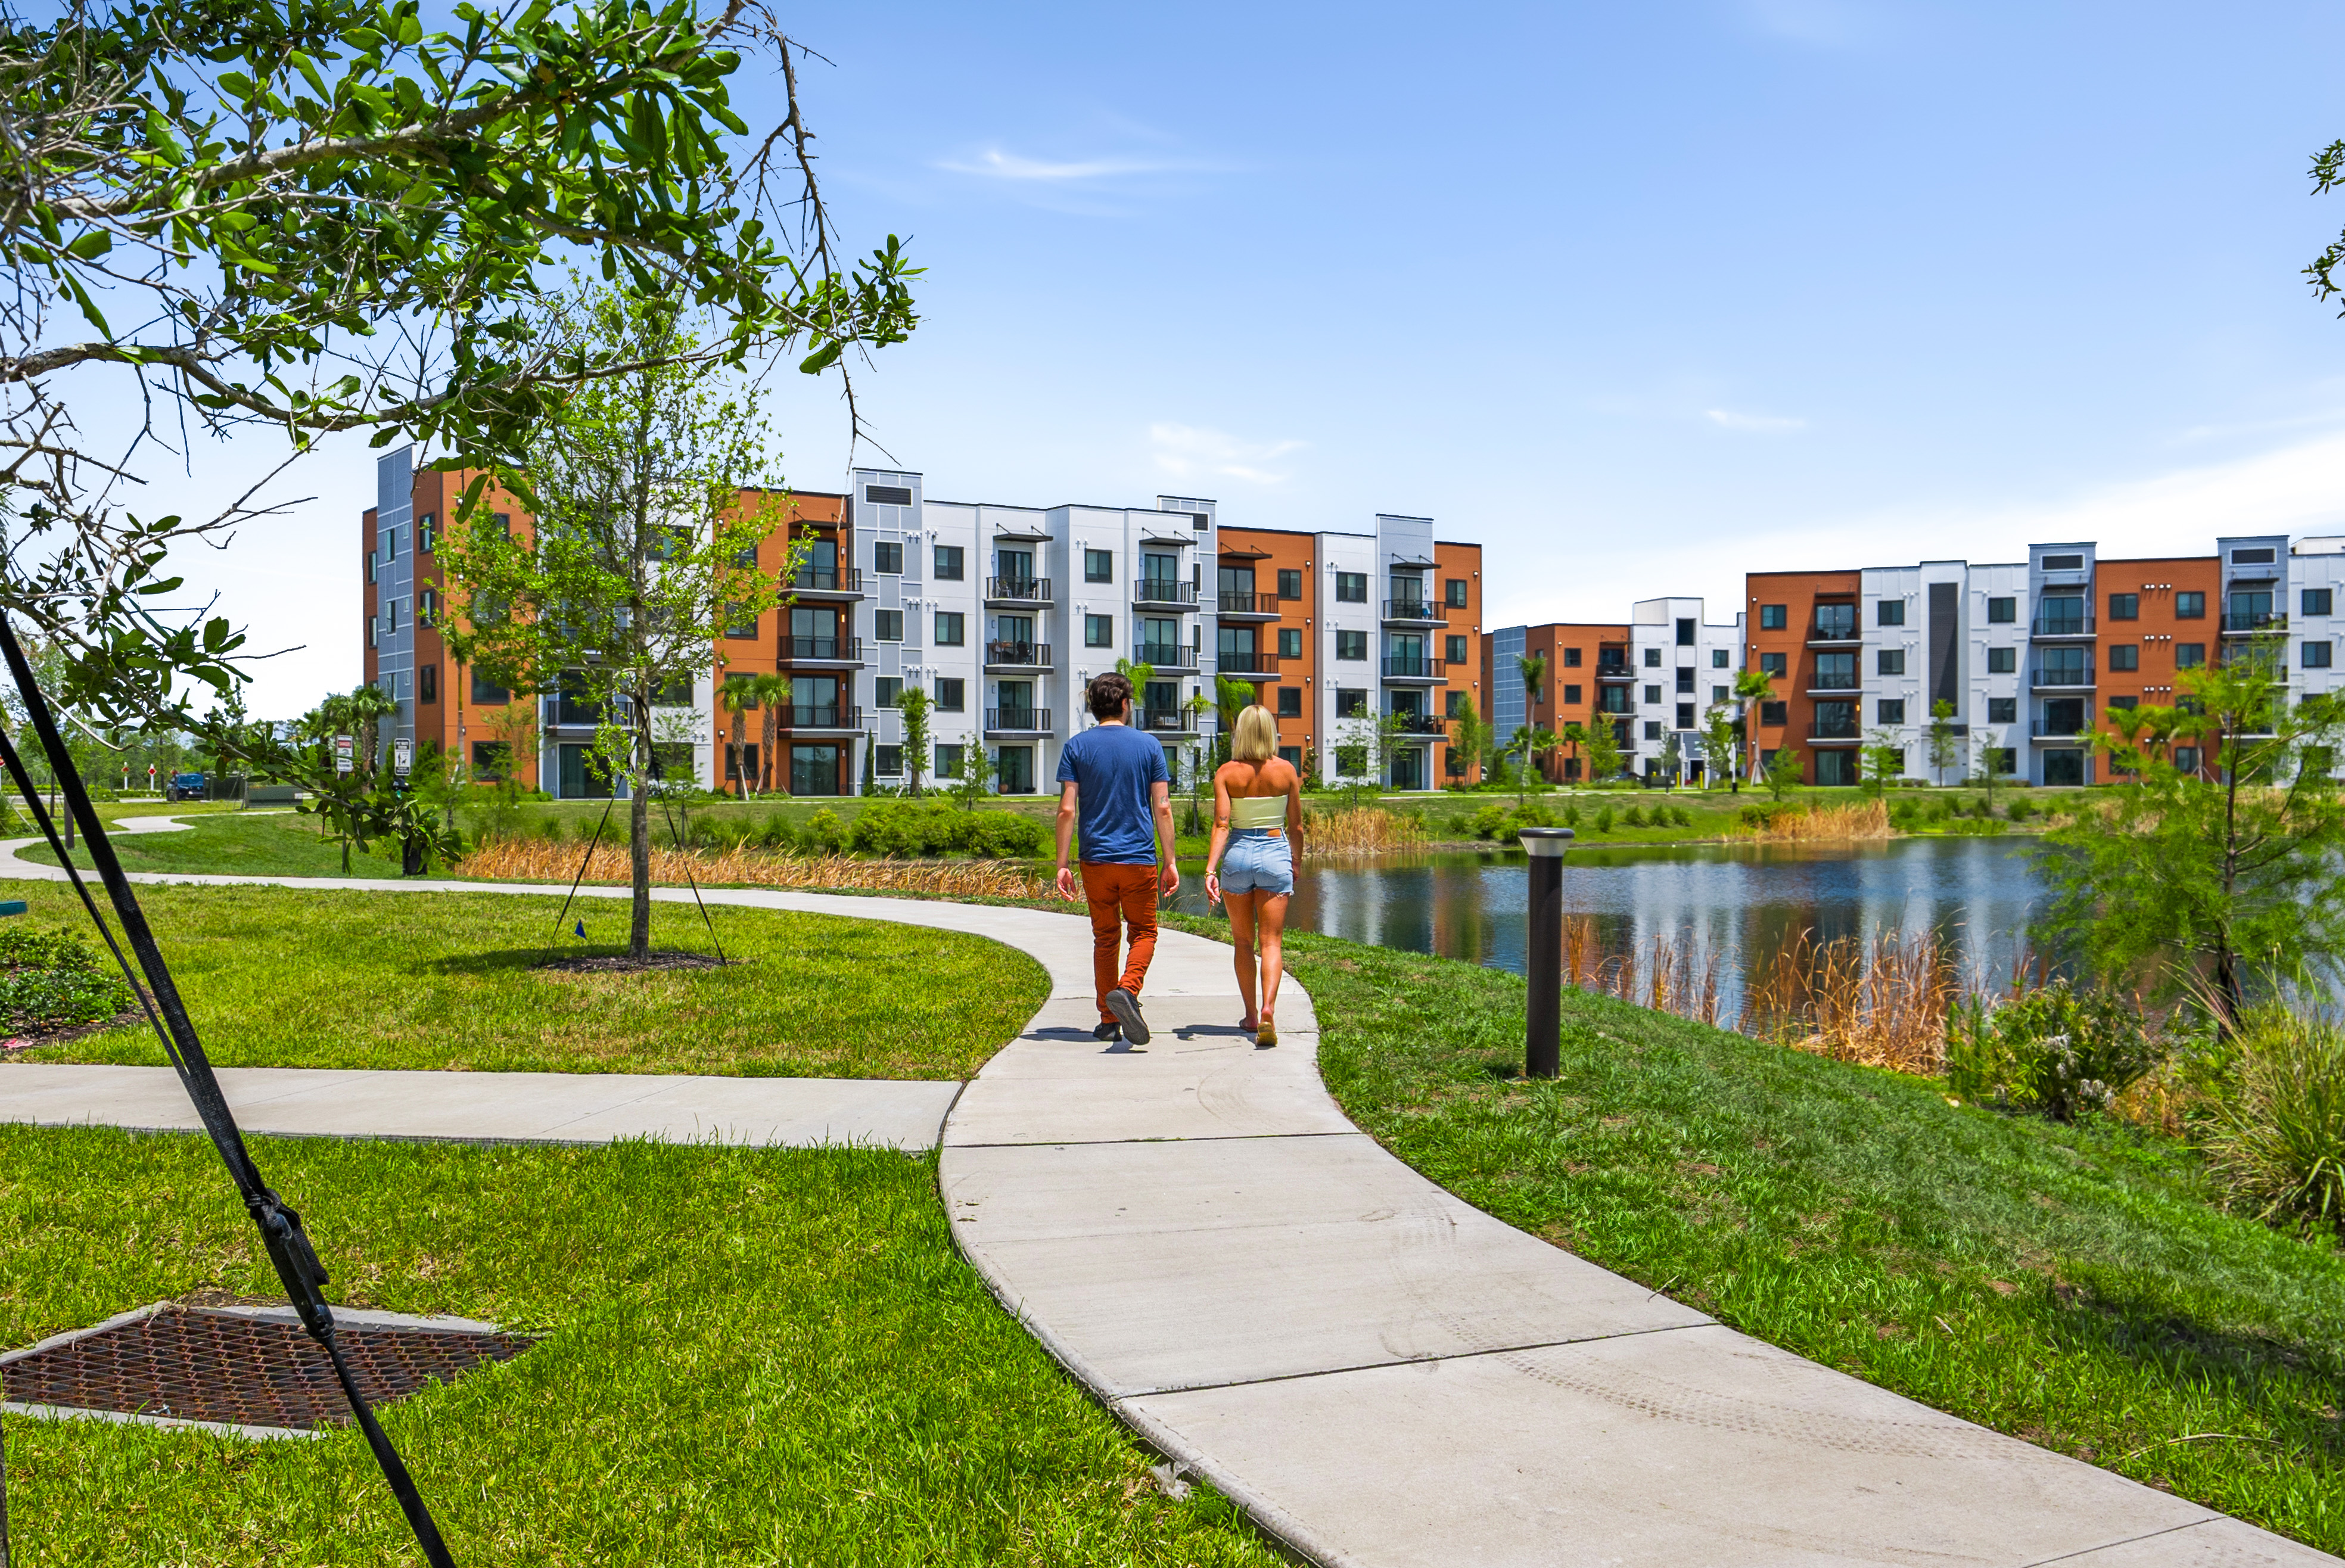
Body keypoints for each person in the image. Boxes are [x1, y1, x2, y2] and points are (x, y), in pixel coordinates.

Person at [1055, 671, 1178, 1044]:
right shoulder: (1149, 746)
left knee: (1105, 938)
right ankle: (1128, 990)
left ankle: (1109, 1020)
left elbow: (1066, 810)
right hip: (1138, 858)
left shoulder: (1076, 747)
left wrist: (1061, 864)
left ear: (1093, 707)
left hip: (1095, 859)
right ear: (1125, 704)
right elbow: (1163, 807)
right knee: (1143, 932)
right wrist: (1170, 860)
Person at [1202, 704, 1302, 1047]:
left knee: (1243, 942)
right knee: (1271, 942)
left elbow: (1221, 825)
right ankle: (1268, 1010)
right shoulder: (1287, 771)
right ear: (1269, 733)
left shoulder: (1227, 772)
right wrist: (1297, 862)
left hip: (1239, 855)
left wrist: (1210, 868)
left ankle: (1249, 1014)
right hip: (1276, 852)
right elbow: (1297, 826)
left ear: (1241, 733)